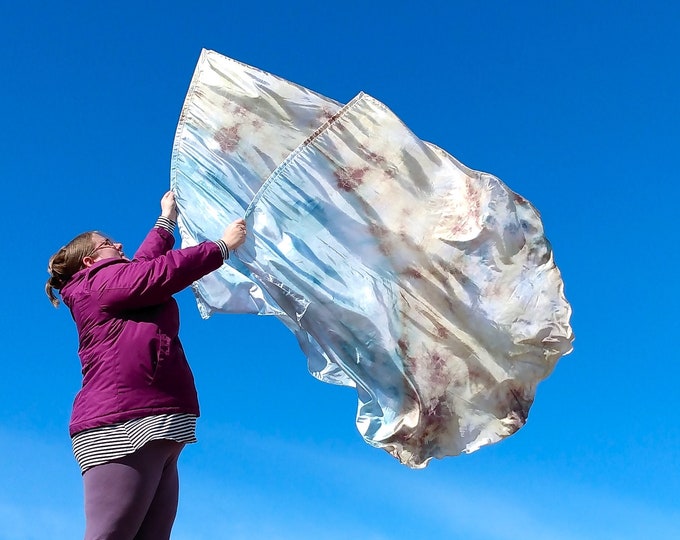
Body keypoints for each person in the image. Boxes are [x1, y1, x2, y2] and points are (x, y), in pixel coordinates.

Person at [45, 191, 247, 540]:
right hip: (121, 427)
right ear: (90, 262)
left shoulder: (111, 283)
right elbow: (155, 273)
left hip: (155, 423)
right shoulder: (95, 285)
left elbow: (144, 265)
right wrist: (220, 248)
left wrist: (166, 219)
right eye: (107, 242)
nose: (119, 243)